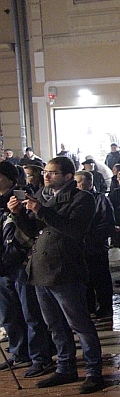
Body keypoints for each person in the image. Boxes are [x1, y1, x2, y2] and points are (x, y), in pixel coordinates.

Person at [8, 156, 104, 393]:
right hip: (40, 269)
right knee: (54, 325)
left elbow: (74, 230)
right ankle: (64, 367)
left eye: (52, 173)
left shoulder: (82, 198)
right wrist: (20, 214)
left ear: (68, 177)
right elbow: (33, 232)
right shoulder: (42, 195)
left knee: (80, 324)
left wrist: (42, 211)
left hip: (65, 269)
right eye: (45, 172)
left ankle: (93, 371)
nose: (46, 176)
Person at [0, 162, 54, 379]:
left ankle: (40, 356)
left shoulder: (22, 196)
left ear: (9, 178)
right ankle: (19, 351)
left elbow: (29, 229)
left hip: (21, 262)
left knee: (31, 312)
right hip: (2, 264)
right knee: (8, 313)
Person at [74, 171, 115, 320]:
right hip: (79, 248)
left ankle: (105, 307)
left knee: (101, 279)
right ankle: (88, 306)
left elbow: (107, 223)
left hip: (96, 247)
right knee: (85, 280)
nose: (76, 185)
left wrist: (91, 239)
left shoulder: (100, 199)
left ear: (89, 183)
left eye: (79, 182)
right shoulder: (74, 200)